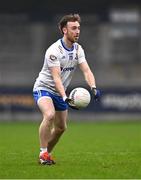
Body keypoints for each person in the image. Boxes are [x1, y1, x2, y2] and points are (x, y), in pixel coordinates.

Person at [33, 13, 101, 165]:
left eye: (78, 28)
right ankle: (43, 153)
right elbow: (56, 77)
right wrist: (65, 96)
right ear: (64, 30)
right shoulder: (53, 51)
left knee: (61, 128)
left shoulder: (78, 49)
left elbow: (86, 70)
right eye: (73, 28)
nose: (77, 31)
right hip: (44, 88)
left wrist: (93, 87)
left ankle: (45, 154)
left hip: (60, 92)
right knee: (49, 115)